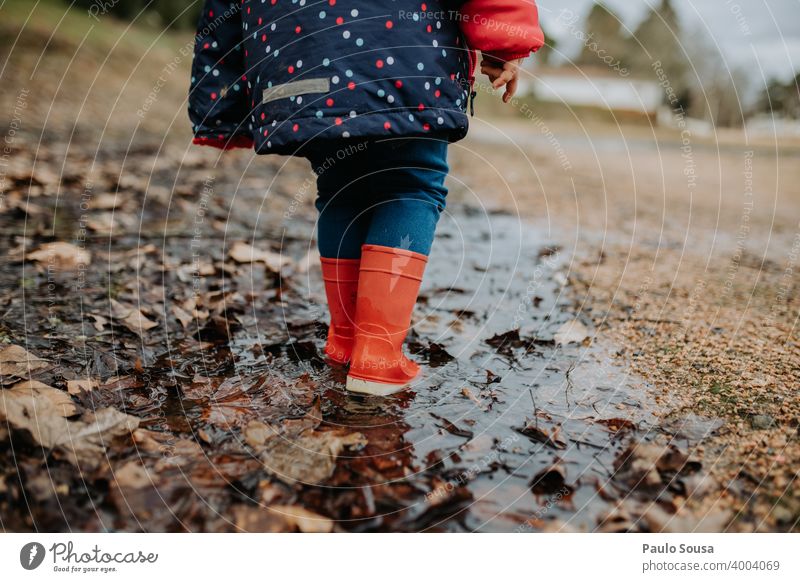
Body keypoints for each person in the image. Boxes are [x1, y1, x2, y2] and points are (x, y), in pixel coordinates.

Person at [189, 0, 544, 395]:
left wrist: (222, 100)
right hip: (405, 54)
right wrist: (505, 41)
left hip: (300, 57)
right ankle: (378, 357)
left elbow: (222, 11)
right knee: (410, 184)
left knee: (340, 191)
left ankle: (344, 343)